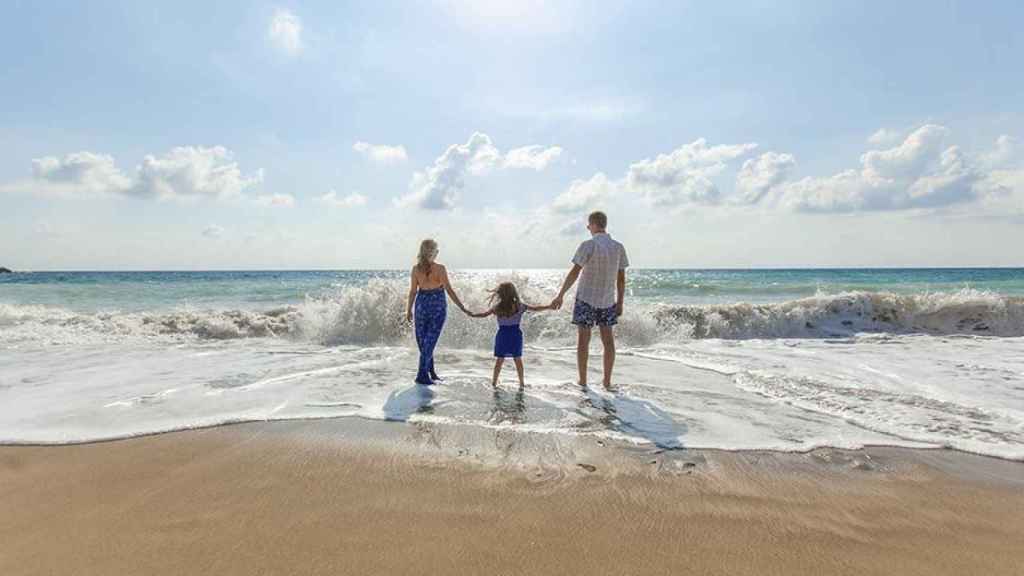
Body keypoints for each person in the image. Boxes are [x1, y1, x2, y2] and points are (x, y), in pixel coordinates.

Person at [551, 211, 629, 389]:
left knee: (583, 341)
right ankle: (607, 382)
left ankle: (583, 381)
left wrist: (561, 294)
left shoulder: (588, 245)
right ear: (605, 224)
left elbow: (574, 272)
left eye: (588, 225)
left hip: (586, 297)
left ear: (593, 225)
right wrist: (621, 302)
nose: (588, 228)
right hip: (608, 300)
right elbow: (621, 279)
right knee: (608, 342)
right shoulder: (618, 247)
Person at [405, 239, 469, 385]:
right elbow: (449, 290)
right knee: (429, 341)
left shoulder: (416, 269)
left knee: (425, 342)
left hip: (421, 304)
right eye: (436, 250)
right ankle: (422, 375)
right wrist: (462, 307)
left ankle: (430, 372)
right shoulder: (440, 269)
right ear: (433, 252)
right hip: (437, 305)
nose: (438, 252)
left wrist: (408, 310)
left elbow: (413, 292)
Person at [468, 282, 553, 387]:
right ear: (514, 293)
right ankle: (521, 383)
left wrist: (471, 314)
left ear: (500, 294)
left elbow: (483, 315)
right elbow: (536, 308)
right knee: (517, 359)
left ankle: (494, 382)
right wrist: (549, 306)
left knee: (500, 360)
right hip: (515, 335)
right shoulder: (519, 306)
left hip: (502, 335)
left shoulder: (497, 307)